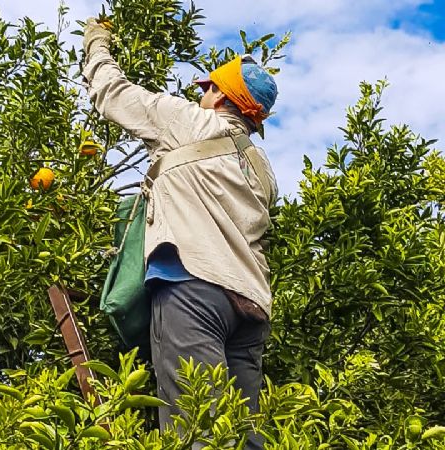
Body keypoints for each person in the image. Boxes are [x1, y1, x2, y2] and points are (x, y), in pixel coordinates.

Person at [83, 18, 279, 449]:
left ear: (221, 97)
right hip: (251, 307)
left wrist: (97, 43)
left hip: (194, 289)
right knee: (243, 435)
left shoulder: (188, 122)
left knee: (196, 426)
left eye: (207, 89)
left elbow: (112, 93)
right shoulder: (263, 169)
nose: (200, 96)